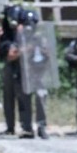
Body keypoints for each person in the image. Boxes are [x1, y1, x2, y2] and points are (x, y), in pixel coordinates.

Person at [16, 9, 49, 139]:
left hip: (39, 73)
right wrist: (24, 50)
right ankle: (27, 128)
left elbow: (48, 55)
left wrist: (45, 52)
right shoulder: (19, 38)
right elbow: (13, 53)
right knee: (24, 101)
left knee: (41, 97)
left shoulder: (41, 38)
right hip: (24, 73)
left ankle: (41, 126)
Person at [0, 3, 23, 136]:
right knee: (8, 98)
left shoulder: (24, 31)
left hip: (23, 68)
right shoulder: (6, 34)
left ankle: (26, 126)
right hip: (9, 67)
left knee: (23, 98)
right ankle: (10, 127)